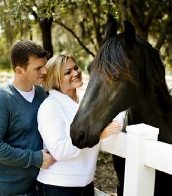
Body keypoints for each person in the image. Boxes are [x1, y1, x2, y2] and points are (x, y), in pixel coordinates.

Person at [0, 40, 56, 196]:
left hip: (30, 189)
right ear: (19, 71)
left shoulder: (42, 95)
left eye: (45, 65)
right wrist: (35, 158)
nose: (45, 71)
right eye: (38, 68)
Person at [36, 54, 124, 196]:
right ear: (56, 80)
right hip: (58, 187)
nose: (76, 73)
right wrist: (98, 135)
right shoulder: (50, 107)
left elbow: (118, 111)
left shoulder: (86, 103)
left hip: (86, 185)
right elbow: (60, 151)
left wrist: (116, 120)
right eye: (68, 72)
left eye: (75, 68)